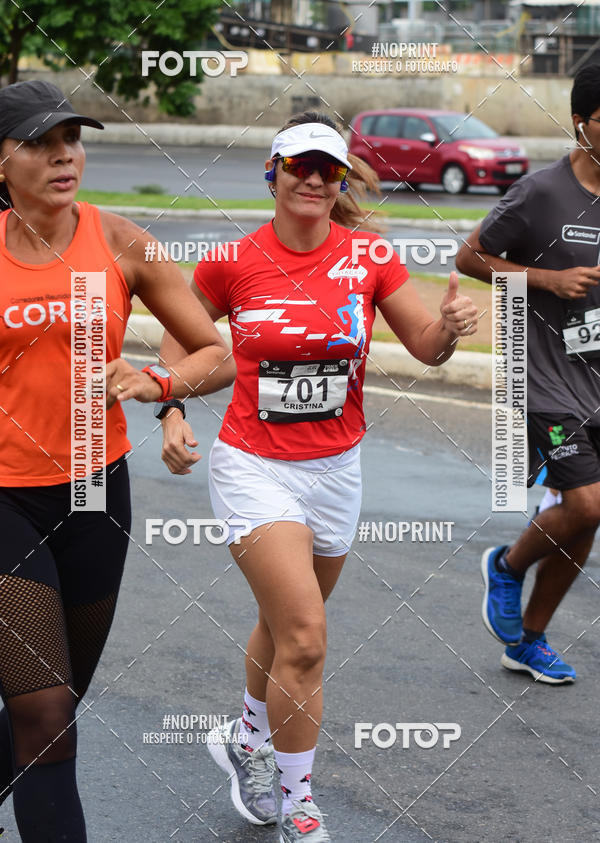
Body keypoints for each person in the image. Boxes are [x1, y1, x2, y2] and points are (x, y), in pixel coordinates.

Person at [159, 110, 478, 841]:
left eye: (328, 169)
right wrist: (171, 412)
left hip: (337, 470)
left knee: (282, 623)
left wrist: (452, 330)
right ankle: (301, 804)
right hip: (252, 467)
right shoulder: (231, 262)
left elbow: (426, 348)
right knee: (305, 633)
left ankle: (246, 734)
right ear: (272, 172)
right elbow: (189, 344)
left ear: (340, 181)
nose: (313, 178)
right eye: (299, 164)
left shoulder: (369, 258)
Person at [0, 80, 235, 841]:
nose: (64, 153)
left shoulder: (124, 241)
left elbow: (214, 351)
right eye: (40, 141)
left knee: (57, 702)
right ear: (3, 161)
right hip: (5, 496)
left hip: (98, 492)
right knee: (42, 712)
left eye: (72, 137)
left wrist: (155, 382)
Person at [456, 64, 600, 685]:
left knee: (586, 516)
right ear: (582, 125)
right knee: (587, 504)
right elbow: (469, 257)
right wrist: (546, 280)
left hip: (595, 382)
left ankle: (529, 641)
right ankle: (508, 567)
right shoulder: (542, 194)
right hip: (542, 377)